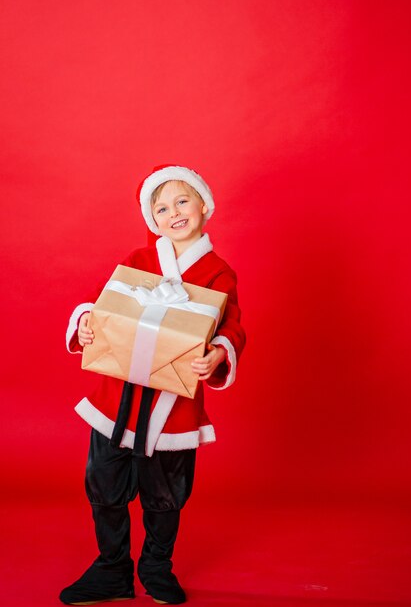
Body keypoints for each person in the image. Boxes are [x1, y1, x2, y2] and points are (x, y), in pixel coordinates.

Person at [60, 165, 246, 605]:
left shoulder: (220, 272)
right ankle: (112, 568)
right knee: (104, 485)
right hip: (115, 401)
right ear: (152, 220)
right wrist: (86, 323)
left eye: (183, 201)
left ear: (204, 205)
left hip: (173, 409)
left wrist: (219, 351)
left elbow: (233, 325)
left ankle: (157, 567)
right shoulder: (137, 262)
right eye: (161, 208)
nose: (173, 213)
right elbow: (106, 304)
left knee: (166, 497)